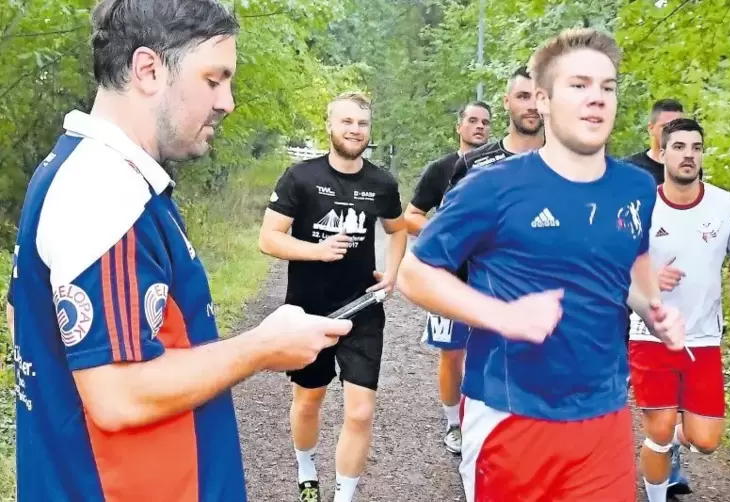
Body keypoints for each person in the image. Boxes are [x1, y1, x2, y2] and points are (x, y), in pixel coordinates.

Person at [5, 2, 353, 501]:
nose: (227, 101)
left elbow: (34, 326)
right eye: (214, 79)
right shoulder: (104, 191)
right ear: (148, 70)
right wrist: (260, 347)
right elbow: (118, 396)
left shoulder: (72, 169)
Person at [396, 27, 686, 501]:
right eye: (579, 85)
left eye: (606, 87)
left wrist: (653, 308)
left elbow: (630, 263)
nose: (597, 98)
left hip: (604, 416)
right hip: (512, 416)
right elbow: (415, 272)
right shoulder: (492, 186)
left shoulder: (635, 189)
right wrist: (503, 316)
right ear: (544, 101)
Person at [259, 92, 407, 502]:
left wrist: (392, 274)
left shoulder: (382, 183)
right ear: (329, 125)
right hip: (309, 311)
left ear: (369, 130)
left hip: (363, 309)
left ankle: (344, 496)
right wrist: (316, 251)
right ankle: (307, 471)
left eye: (361, 123)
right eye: (346, 122)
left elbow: (399, 231)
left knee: (360, 412)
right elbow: (268, 239)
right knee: (309, 402)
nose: (354, 130)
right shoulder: (300, 178)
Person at [629, 117, 730, 502]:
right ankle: (655, 492)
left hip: (704, 338)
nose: (688, 155)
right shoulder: (642, 207)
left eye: (696, 148)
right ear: (662, 152)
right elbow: (616, 266)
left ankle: (671, 442)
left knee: (707, 440)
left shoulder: (726, 205)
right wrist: (649, 279)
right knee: (660, 429)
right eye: (679, 147)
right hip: (651, 333)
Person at [402, 100, 491, 455]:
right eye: (472, 120)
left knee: (489, 352)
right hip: (447, 279)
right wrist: (449, 239)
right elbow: (411, 216)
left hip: (491, 279)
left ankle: (485, 421)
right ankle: (454, 424)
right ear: (459, 126)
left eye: (485, 122)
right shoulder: (441, 169)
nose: (479, 127)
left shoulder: (502, 167)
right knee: (452, 354)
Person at [446, 66, 545, 191]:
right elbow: (448, 210)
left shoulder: (570, 161)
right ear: (506, 102)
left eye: (540, 97)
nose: (533, 106)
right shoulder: (473, 164)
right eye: (523, 97)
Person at [625, 99, 687, 184]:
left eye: (679, 126)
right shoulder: (630, 169)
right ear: (651, 128)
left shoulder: (689, 168)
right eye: (666, 126)